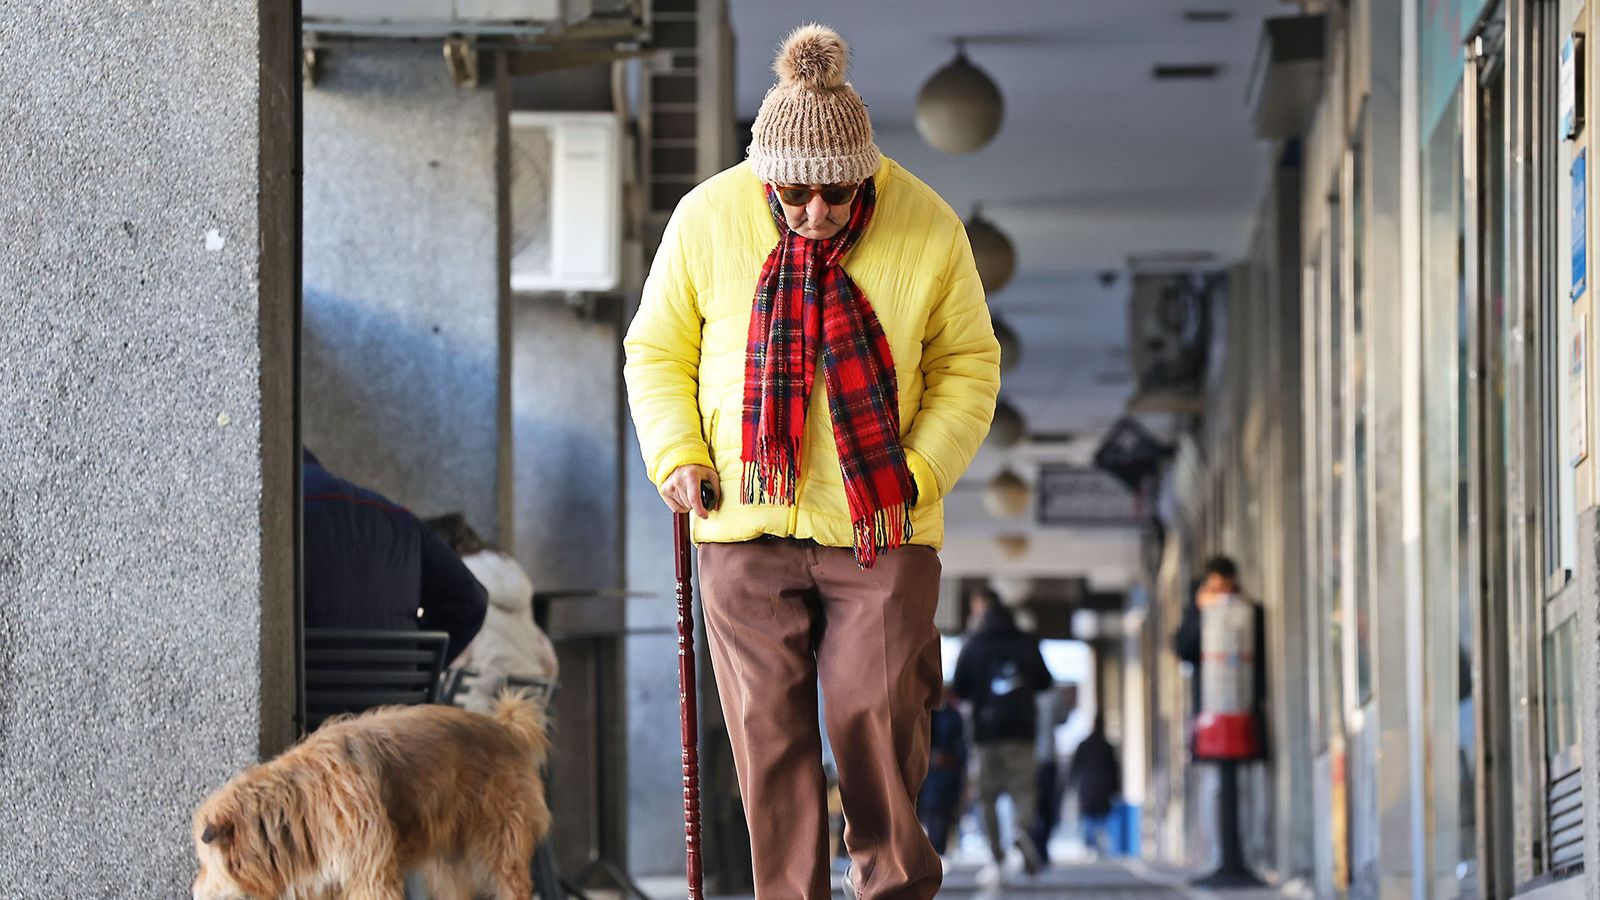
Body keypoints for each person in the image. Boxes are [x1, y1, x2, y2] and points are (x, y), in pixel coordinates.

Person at [622, 23, 1000, 900]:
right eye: (794, 195)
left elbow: (969, 365)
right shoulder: (707, 217)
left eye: (836, 193)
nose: (816, 212)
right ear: (766, 174)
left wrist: (917, 473)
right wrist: (676, 454)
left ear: (863, 169)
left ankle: (893, 885)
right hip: (742, 519)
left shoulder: (929, 225)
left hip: (881, 521)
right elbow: (657, 352)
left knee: (873, 714)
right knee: (767, 737)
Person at [302, 449, 487, 663]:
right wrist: (421, 664)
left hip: (303, 690)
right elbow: (471, 601)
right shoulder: (394, 516)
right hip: (397, 689)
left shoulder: (274, 510)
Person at [952, 601, 1053, 884]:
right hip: (1022, 731)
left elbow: (959, 686)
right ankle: (1021, 829)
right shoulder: (1026, 643)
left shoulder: (974, 644)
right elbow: (1045, 681)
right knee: (1024, 790)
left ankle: (997, 854)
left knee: (987, 796)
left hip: (986, 734)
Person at [426, 513, 560, 713]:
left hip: (476, 700)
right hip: (529, 703)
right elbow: (547, 657)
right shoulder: (509, 569)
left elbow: (456, 653)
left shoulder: (456, 576)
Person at [1172, 555, 1267, 753]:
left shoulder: (1246, 610)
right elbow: (1183, 648)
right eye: (1216, 589)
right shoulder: (1197, 612)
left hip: (1243, 698)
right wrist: (1202, 613)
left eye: (1226, 588)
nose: (1222, 596)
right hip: (1211, 701)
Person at [916, 685, 967, 862]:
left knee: (945, 811)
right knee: (932, 809)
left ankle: (940, 849)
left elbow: (960, 746)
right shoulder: (929, 714)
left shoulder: (953, 715)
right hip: (931, 771)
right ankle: (933, 849)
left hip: (948, 771)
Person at [1064, 714, 1121, 856]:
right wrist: (1116, 789)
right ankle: (1100, 849)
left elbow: (1073, 770)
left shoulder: (1084, 745)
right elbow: (1114, 770)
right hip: (1103, 789)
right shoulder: (1107, 746)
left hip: (1087, 789)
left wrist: (1072, 788)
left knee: (1089, 820)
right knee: (1100, 821)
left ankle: (1093, 848)